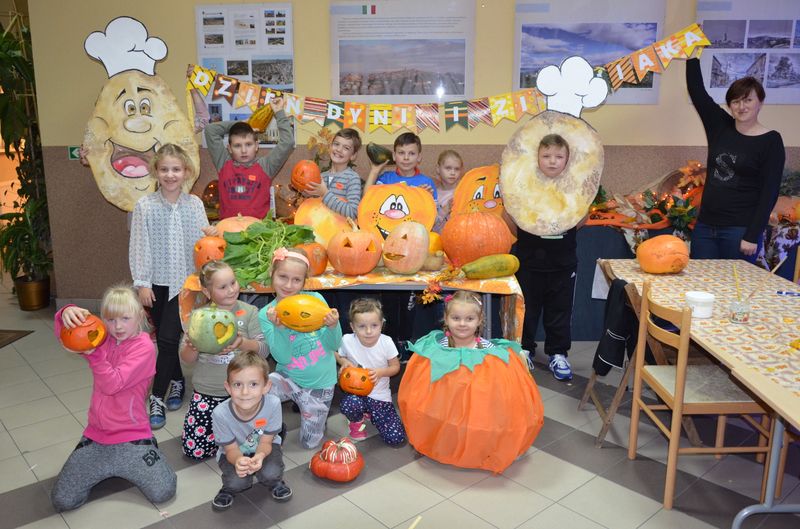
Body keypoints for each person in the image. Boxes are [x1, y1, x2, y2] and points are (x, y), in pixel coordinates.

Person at [51, 285, 177, 511]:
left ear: (139, 316)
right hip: (96, 436)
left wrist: (94, 355)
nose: (117, 327)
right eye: (110, 319)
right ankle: (104, 460)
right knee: (63, 500)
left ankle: (150, 447)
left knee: (163, 492)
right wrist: (66, 313)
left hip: (132, 437)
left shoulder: (144, 347)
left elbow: (112, 384)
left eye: (125, 318)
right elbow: (66, 336)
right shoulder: (102, 337)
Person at [129, 143, 214, 428]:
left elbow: (205, 244)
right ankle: (177, 380)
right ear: (155, 171)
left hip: (188, 284)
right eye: (164, 169)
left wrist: (213, 235)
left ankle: (157, 398)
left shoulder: (195, 205)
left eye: (176, 169)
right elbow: (139, 246)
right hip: (157, 284)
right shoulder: (145, 206)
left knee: (167, 340)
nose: (170, 175)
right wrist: (141, 282)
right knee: (167, 341)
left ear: (186, 172)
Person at [685, 57, 785, 262]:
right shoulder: (719, 127)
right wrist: (691, 57)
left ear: (760, 103)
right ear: (730, 105)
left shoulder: (771, 141)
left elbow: (770, 191)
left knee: (733, 291)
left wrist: (751, 235)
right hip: (705, 228)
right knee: (700, 287)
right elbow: (698, 93)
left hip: (739, 231)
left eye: (748, 100)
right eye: (736, 101)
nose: (741, 106)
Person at [179, 260, 268, 461]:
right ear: (207, 292)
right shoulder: (198, 316)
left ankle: (268, 431)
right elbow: (186, 360)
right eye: (222, 287)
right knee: (195, 452)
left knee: (251, 449)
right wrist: (190, 347)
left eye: (233, 283)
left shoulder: (249, 312)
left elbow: (263, 350)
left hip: (243, 394)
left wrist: (242, 343)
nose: (231, 290)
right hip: (207, 391)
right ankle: (222, 438)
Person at [513, 134, 582, 381]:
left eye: (558, 156)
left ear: (566, 160)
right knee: (526, 309)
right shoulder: (523, 185)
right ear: (537, 158)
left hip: (562, 261)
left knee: (560, 310)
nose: (552, 161)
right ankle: (524, 350)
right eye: (546, 156)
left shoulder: (574, 187)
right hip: (529, 261)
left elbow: (580, 219)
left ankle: (558, 353)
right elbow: (510, 216)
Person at [259, 247, 342, 449]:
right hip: (288, 378)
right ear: (272, 274)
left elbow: (334, 345)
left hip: (320, 384)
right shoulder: (267, 313)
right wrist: (280, 328)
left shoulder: (316, 301)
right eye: (283, 277)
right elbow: (283, 357)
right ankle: (272, 429)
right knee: (259, 392)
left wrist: (333, 326)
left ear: (304, 282)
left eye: (296, 280)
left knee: (309, 444)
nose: (288, 285)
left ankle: (314, 418)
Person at [211, 351, 291, 511]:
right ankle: (228, 489)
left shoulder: (273, 404)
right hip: (234, 451)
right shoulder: (220, 413)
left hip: (263, 444)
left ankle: (275, 481)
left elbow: (266, 442)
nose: (245, 392)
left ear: (266, 387)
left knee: (271, 472)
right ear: (228, 387)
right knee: (236, 482)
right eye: (237, 384)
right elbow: (231, 449)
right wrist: (239, 460)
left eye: (253, 384)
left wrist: (260, 456)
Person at [204, 95, 294, 220]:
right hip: (228, 231)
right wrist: (243, 123)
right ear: (229, 149)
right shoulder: (223, 163)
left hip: (258, 234)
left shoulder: (266, 166)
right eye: (237, 146)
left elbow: (288, 142)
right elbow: (210, 130)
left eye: (248, 144)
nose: (244, 150)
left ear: (256, 146)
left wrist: (279, 112)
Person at [335, 298, 406, 446]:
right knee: (350, 404)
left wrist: (380, 372)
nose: (368, 331)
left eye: (374, 325)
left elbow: (395, 367)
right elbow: (335, 353)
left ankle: (371, 413)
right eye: (361, 326)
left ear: (381, 324)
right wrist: (343, 361)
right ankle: (356, 420)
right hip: (356, 393)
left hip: (380, 396)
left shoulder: (386, 342)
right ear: (352, 327)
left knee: (396, 438)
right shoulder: (347, 340)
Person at [304, 128, 363, 219]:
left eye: (346, 148)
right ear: (330, 147)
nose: (339, 149)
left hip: (341, 231)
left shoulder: (352, 178)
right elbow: (314, 204)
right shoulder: (321, 176)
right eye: (336, 144)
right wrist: (308, 193)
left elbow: (353, 213)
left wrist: (325, 193)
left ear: (353, 155)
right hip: (320, 227)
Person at [364, 132, 437, 199]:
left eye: (412, 153)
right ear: (394, 156)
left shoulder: (427, 182)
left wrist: (426, 197)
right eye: (401, 153)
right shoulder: (385, 179)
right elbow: (367, 199)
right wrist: (374, 171)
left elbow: (433, 210)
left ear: (419, 157)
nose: (406, 158)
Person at [432, 150, 464, 233]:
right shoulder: (434, 194)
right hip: (439, 239)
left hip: (460, 236)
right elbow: (432, 223)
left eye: (457, 169)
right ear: (438, 169)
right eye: (448, 168)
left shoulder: (464, 192)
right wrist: (445, 210)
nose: (452, 173)